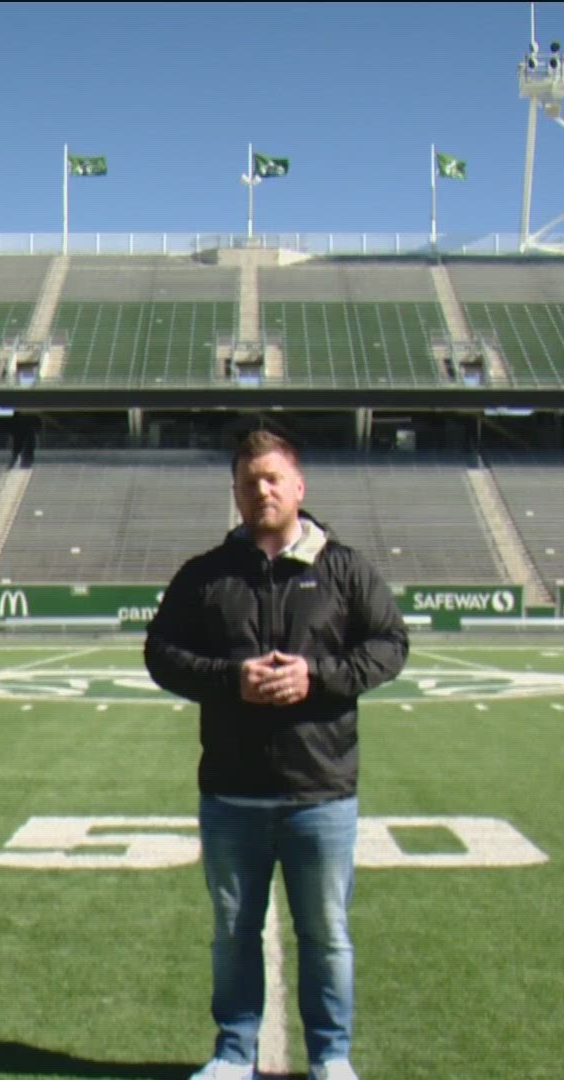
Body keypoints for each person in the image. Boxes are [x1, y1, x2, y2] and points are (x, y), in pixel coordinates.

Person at [145, 430, 409, 1080]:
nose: (260, 490)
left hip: (320, 791)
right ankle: (235, 1053)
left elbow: (391, 645)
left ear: (298, 487)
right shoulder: (205, 575)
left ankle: (331, 1057)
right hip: (232, 791)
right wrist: (229, 679)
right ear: (235, 494)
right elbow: (161, 654)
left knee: (325, 935)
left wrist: (315, 676)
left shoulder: (344, 568)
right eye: (247, 481)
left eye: (271, 478)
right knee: (234, 934)